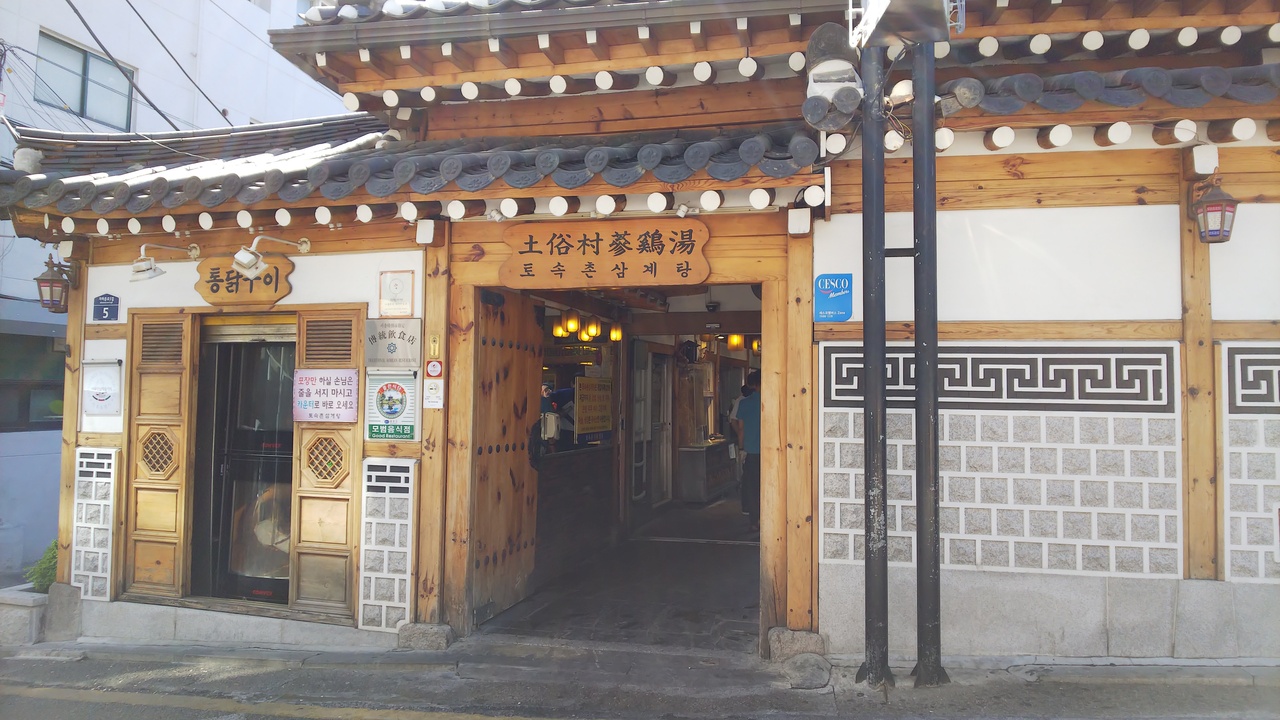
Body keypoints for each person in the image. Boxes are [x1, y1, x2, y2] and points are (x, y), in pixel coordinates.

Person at [733, 370, 763, 532]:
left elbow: (741, 429)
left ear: (753, 385)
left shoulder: (744, 404)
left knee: (752, 487)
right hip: (770, 454)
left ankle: (754, 521)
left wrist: (741, 448)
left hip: (750, 452)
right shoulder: (772, 402)